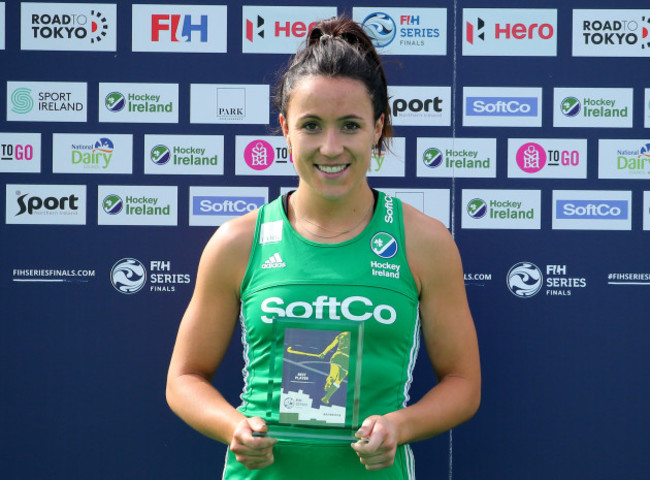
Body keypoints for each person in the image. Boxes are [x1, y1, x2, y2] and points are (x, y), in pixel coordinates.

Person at [166, 16, 480, 480]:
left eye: (350, 125)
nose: (330, 147)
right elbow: (184, 378)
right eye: (311, 125)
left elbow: (463, 383)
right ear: (285, 130)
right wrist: (233, 426)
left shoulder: (423, 241)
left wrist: (400, 426)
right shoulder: (237, 242)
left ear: (378, 128)